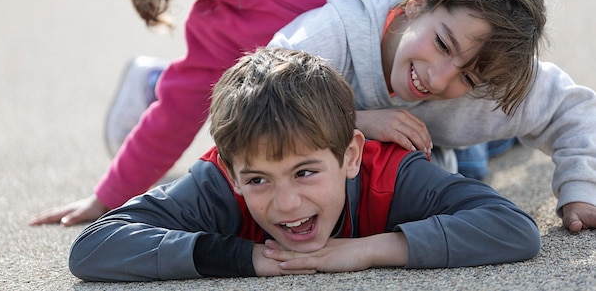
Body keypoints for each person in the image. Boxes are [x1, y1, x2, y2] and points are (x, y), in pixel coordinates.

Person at [30, 0, 470, 227]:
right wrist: (105, 198)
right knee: (465, 156)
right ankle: (153, 80)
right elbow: (174, 116)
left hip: (425, 15)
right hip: (379, 92)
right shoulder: (211, 30)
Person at [68, 47, 540, 282]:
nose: (286, 203)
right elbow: (92, 248)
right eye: (257, 180)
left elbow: (514, 228)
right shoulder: (218, 183)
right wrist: (238, 257)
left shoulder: (392, 176)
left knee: (477, 153)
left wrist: (371, 249)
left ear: (350, 156)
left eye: (305, 172)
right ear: (232, 174)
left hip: (434, 152)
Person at [267, 0, 596, 232]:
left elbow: (571, 109)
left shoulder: (490, 77)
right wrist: (357, 120)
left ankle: (495, 141)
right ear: (417, 2)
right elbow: (252, 98)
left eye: (467, 78)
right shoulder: (329, 36)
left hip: (447, 144)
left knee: (474, 159)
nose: (438, 80)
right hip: (419, 148)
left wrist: (580, 189)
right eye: (442, 44)